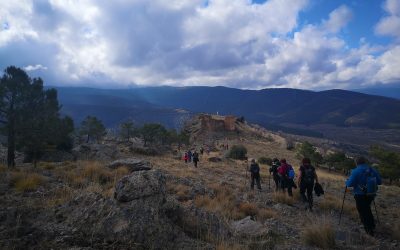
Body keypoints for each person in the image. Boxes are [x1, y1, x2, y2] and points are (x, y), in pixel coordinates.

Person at [346, 157, 382, 236]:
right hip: (371, 194)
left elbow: (349, 184)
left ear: (356, 163)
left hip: (360, 195)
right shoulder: (372, 170)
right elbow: (379, 182)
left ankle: (369, 230)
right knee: (367, 209)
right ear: (365, 162)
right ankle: (372, 225)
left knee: (363, 212)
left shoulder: (356, 171)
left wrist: (347, 181)